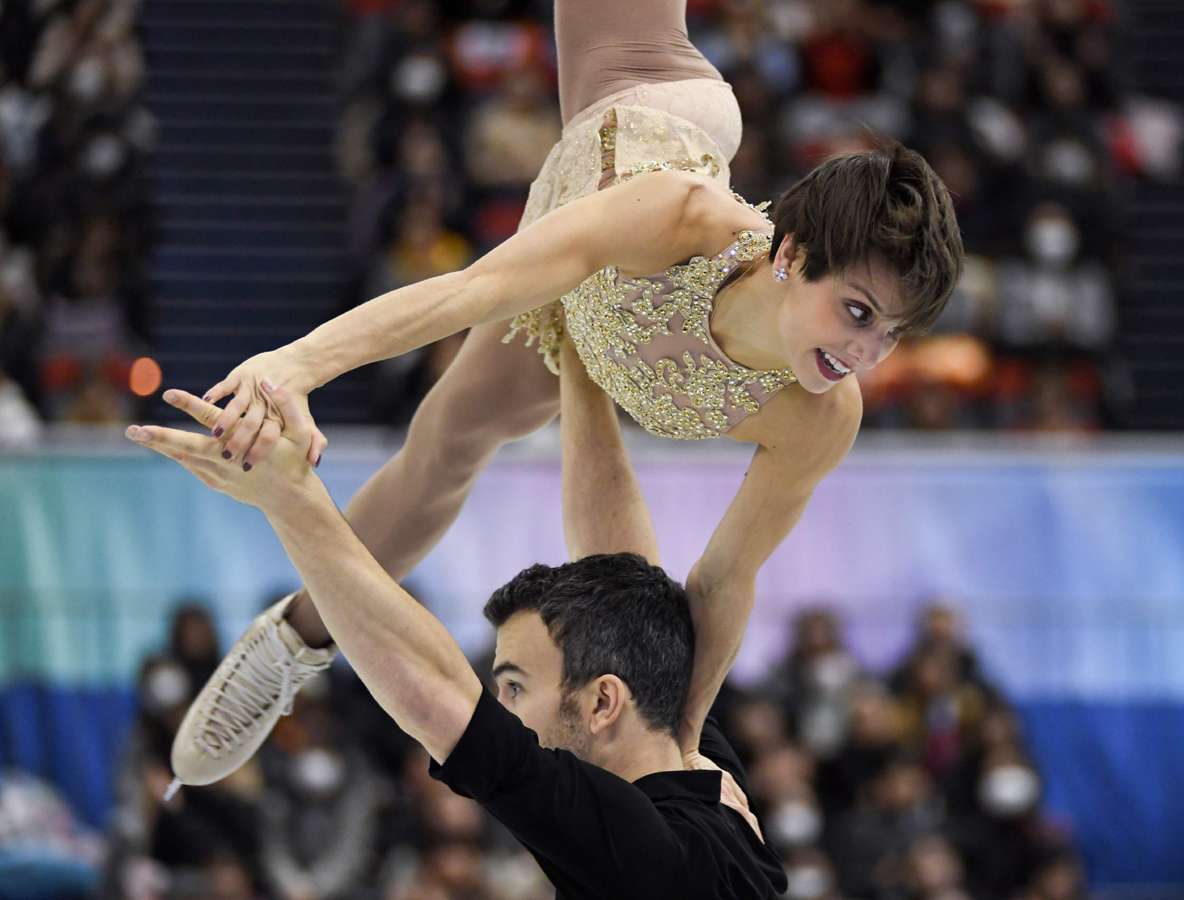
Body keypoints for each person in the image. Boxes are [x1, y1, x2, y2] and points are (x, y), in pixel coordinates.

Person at [168, 0, 962, 789]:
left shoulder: (821, 415)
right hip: (639, 99)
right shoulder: (676, 220)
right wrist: (296, 363)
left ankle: (296, 637)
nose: (865, 353)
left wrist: (681, 747)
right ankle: (284, 647)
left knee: (469, 454)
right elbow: (469, 291)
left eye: (891, 333)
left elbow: (721, 581)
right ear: (792, 252)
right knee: (442, 446)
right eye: (857, 312)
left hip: (594, 312)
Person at [125, 338, 787, 899]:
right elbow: (620, 568)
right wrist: (582, 361)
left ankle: (297, 635)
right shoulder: (698, 772)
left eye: (516, 687)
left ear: (603, 702)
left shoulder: (646, 858)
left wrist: (292, 500)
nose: (501, 705)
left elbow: (443, 703)